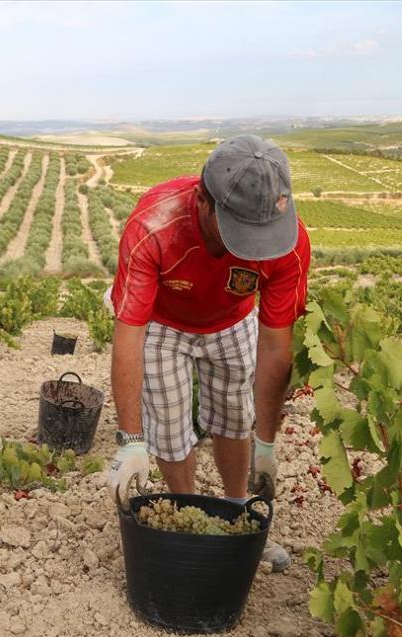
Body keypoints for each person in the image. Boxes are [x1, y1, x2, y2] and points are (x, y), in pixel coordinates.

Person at [106, 135, 311, 572]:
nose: (252, 248)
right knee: (168, 422)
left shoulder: (288, 243)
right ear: (202, 200)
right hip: (162, 322)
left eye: (260, 235)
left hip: (233, 319)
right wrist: (129, 441)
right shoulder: (154, 226)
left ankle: (237, 512)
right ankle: (190, 517)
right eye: (239, 232)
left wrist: (267, 444)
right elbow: (129, 333)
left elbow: (276, 346)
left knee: (236, 417)